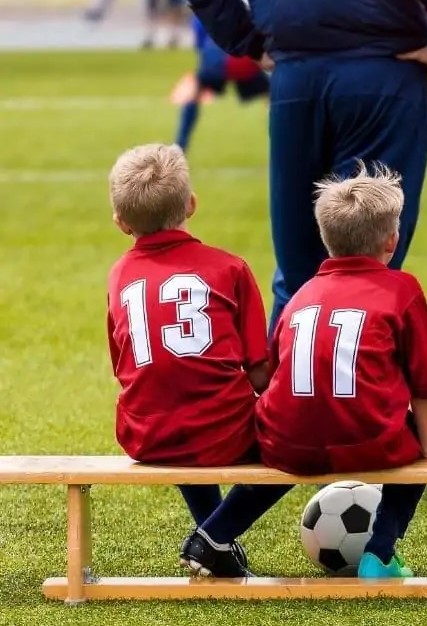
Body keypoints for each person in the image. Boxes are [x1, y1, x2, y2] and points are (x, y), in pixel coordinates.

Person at [178, 164, 427, 579]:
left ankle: (214, 534)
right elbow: (425, 382)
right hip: (369, 439)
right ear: (392, 241)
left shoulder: (302, 294)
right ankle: (380, 554)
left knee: (296, 436)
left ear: (327, 242)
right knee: (417, 458)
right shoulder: (403, 289)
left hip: (284, 441)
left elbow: (275, 370)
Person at [189, 0, 427, 330]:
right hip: (380, 66)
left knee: (298, 266)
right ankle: (355, 374)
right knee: (366, 258)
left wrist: (246, 38)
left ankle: (291, 375)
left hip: (302, 64)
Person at [105, 144, 268, 563]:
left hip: (143, 435)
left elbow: (123, 365)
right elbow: (259, 373)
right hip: (223, 433)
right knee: (300, 440)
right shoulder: (229, 268)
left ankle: (217, 545)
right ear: (191, 204)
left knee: (177, 403)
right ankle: (216, 533)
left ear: (121, 223)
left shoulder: (119, 275)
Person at [173, 16, 270, 154]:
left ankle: (180, 146)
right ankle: (285, 142)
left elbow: (200, 44)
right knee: (274, 95)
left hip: (218, 61)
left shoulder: (203, 10)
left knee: (194, 89)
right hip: (246, 59)